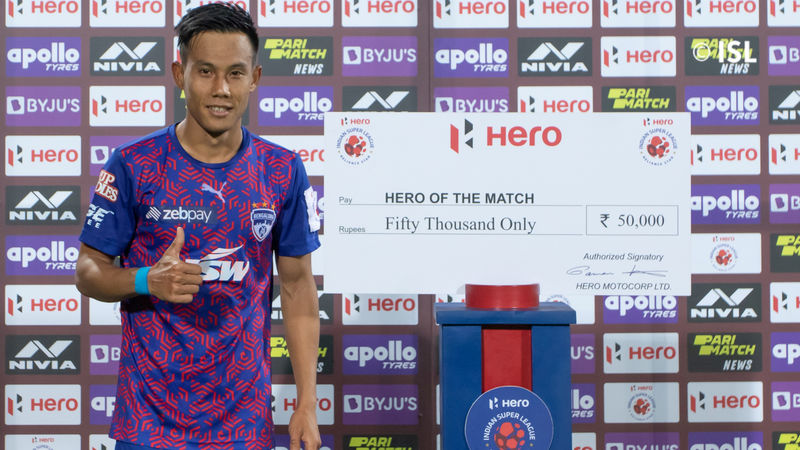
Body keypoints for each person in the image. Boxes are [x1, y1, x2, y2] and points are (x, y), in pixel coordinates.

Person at [74, 4, 322, 450]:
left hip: (243, 423)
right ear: (179, 74)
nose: (221, 89)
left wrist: (306, 403)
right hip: (148, 422)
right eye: (205, 71)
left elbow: (299, 287)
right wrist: (147, 279)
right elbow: (88, 271)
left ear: (255, 78)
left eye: (235, 73)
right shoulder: (133, 164)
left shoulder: (282, 169)